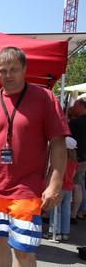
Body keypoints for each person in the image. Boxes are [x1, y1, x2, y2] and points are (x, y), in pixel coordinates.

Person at [0, 47, 69, 267]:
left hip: (27, 189)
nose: (8, 75)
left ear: (24, 69)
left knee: (23, 250)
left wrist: (55, 184)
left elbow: (59, 144)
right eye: (2, 70)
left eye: (13, 69)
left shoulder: (45, 98)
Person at [45, 137, 78, 241]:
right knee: (66, 211)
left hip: (60, 187)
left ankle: (55, 232)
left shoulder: (60, 160)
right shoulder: (74, 162)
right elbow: (72, 176)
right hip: (69, 187)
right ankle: (65, 232)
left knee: (56, 210)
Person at [70, 95, 86, 224]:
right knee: (79, 185)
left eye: (75, 106)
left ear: (81, 107)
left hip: (74, 158)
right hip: (83, 158)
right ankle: (78, 212)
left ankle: (73, 214)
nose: (72, 108)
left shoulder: (76, 123)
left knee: (74, 186)